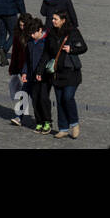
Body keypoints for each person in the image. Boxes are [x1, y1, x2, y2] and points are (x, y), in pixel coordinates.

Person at [39, 10, 87, 139]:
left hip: (71, 72)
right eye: (53, 19)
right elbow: (46, 53)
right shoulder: (51, 33)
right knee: (60, 100)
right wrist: (40, 70)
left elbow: (83, 47)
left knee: (67, 97)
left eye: (56, 19)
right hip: (57, 72)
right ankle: (63, 128)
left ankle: (74, 123)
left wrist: (72, 49)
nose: (53, 21)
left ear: (63, 20)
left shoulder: (73, 32)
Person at [22, 18, 52, 133]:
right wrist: (25, 72)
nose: (32, 35)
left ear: (40, 30)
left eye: (34, 33)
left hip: (44, 75)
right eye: (30, 33)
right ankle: (39, 122)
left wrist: (42, 72)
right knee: (35, 99)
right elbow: (27, 60)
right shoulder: (30, 42)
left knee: (43, 98)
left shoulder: (46, 41)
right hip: (32, 75)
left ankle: (47, 121)